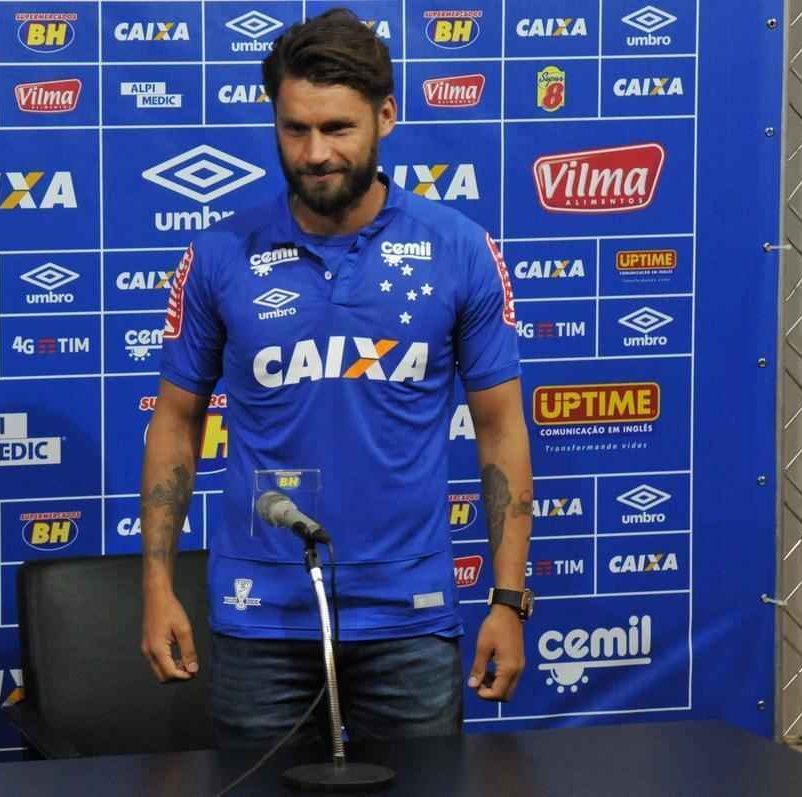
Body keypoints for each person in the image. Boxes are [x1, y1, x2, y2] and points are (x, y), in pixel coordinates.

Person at [139, 8, 534, 747]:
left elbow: (501, 429)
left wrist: (507, 600)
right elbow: (175, 421)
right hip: (260, 616)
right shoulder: (220, 253)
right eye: (295, 129)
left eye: (338, 128)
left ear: (386, 115)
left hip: (410, 617)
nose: (315, 152)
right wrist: (157, 586)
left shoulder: (460, 249)